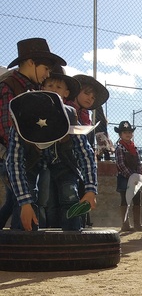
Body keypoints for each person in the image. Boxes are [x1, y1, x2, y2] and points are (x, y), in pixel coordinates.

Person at [6, 91, 97, 232]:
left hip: (63, 160)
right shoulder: (19, 125)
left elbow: (86, 154)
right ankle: (23, 239)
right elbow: (14, 164)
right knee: (25, 196)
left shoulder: (70, 119)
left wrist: (90, 189)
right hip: (30, 162)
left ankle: (73, 238)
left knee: (69, 193)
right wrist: (24, 203)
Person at [0, 38, 66, 230]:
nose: (47, 74)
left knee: (17, 202)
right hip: (14, 157)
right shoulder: (9, 86)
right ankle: (22, 249)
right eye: (45, 68)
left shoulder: (35, 89)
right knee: (23, 201)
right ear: (30, 62)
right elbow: (6, 127)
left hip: (32, 157)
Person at [41, 65, 82, 228]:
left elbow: (81, 145)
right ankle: (49, 240)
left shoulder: (71, 113)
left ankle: (73, 235)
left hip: (66, 165)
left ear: (66, 93)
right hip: (44, 165)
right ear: (42, 88)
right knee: (48, 204)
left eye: (58, 87)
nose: (53, 89)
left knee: (70, 198)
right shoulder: (36, 111)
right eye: (50, 85)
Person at [69, 74, 110, 228]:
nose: (90, 99)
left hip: (80, 164)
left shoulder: (85, 115)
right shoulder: (68, 110)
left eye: (92, 97)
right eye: (86, 93)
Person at [114, 120, 142, 232]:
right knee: (125, 199)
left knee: (137, 199)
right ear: (120, 135)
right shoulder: (119, 148)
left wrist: (138, 175)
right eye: (124, 132)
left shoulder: (134, 148)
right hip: (124, 177)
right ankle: (125, 224)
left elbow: (138, 162)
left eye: (129, 132)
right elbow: (120, 164)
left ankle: (137, 224)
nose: (128, 134)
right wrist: (131, 176)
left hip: (134, 177)